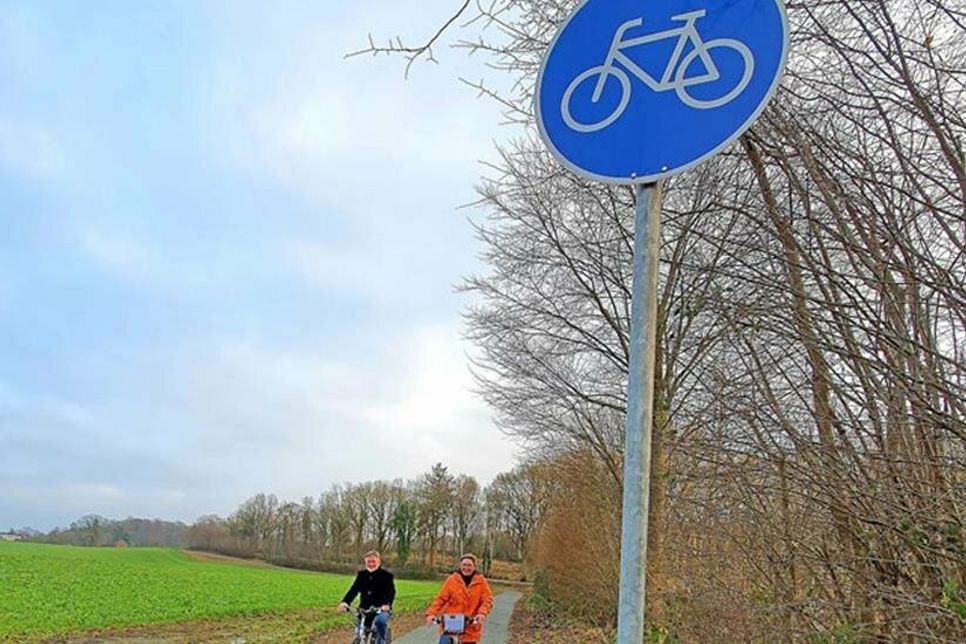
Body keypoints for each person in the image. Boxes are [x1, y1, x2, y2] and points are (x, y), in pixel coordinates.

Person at [425, 554, 494, 644]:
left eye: (469, 565)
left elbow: (487, 600)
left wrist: (482, 613)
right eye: (464, 565)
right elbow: (441, 599)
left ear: (474, 567)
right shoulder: (452, 580)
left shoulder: (481, 582)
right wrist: (431, 613)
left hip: (470, 626)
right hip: (450, 625)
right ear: (460, 566)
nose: (466, 568)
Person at [337, 550, 395, 644]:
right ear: (365, 562)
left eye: (373, 561)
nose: (371, 564)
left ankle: (382, 641)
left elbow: (390, 592)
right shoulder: (362, 575)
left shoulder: (387, 576)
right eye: (369, 561)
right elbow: (354, 590)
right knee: (359, 631)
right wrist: (345, 602)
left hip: (380, 609)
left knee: (380, 622)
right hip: (364, 609)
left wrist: (386, 604)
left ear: (378, 562)